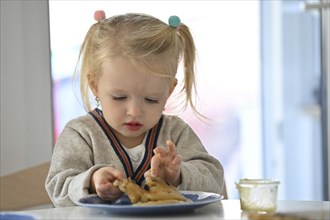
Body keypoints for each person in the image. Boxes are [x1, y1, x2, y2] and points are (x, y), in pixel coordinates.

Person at [45, 10, 225, 207]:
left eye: (151, 99)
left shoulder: (176, 132)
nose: (134, 111)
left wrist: (178, 175)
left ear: (169, 90)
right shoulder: (81, 134)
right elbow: (57, 188)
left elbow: (214, 181)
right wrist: (91, 180)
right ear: (95, 85)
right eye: (119, 97)